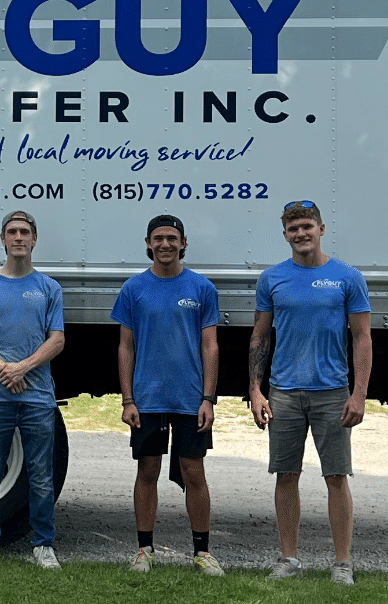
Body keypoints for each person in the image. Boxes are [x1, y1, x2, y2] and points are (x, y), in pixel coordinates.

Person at [248, 200, 372, 586]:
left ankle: (342, 564)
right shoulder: (272, 279)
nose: (300, 234)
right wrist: (254, 389)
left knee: (336, 476)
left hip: (332, 392)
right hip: (283, 392)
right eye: (293, 229)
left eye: (307, 226)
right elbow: (259, 336)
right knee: (286, 475)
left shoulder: (347, 277)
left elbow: (362, 337)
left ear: (321, 229)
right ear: (285, 235)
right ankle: (288, 558)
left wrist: (359, 394)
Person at [111, 215, 225, 576]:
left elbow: (210, 346)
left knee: (194, 472)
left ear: (184, 243)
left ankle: (202, 553)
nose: (165, 244)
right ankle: (145, 550)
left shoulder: (201, 288)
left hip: (190, 399)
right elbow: (125, 347)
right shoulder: (133, 289)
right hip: (147, 398)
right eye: (158, 238)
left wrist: (208, 398)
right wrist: (128, 399)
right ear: (148, 243)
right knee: (148, 470)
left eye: (172, 238)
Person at [0, 210, 66, 571]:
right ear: (3, 239)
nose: (19, 238)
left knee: (41, 475)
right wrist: (2, 368)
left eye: (25, 232)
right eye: (12, 232)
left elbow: (57, 340)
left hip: (37, 397)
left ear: (34, 239)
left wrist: (21, 368)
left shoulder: (49, 288)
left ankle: (43, 545)